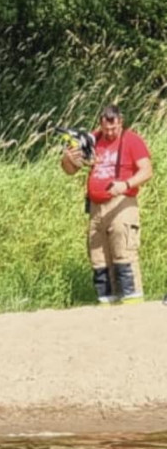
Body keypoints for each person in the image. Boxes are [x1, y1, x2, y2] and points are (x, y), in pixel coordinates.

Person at [61, 103, 153, 304]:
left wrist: (125, 184)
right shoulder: (93, 139)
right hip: (96, 207)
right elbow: (70, 170)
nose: (110, 132)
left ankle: (131, 301)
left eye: (114, 128)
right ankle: (107, 302)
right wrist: (68, 158)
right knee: (98, 258)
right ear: (100, 124)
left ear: (121, 122)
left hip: (122, 203)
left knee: (123, 254)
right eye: (106, 128)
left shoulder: (132, 140)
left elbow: (147, 171)